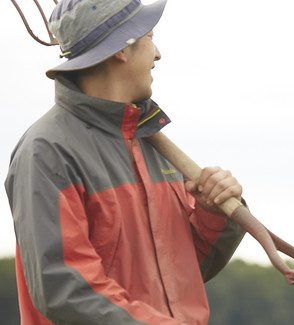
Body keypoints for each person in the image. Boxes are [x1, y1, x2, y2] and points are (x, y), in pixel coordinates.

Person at [5, 0, 246, 324]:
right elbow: (66, 289)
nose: (157, 54)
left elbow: (181, 275)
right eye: (150, 37)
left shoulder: (151, 143)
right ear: (123, 48)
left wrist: (213, 214)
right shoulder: (47, 153)